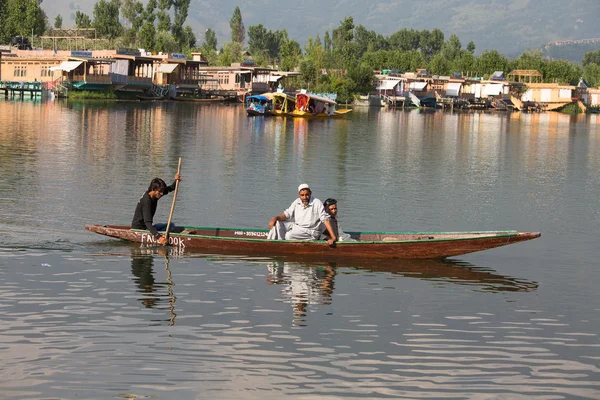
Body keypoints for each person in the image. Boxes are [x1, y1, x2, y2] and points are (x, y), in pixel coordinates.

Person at [268, 183, 337, 245]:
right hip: (297, 228)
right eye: (302, 195)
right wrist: (275, 218)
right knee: (277, 223)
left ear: (310, 193)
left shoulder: (317, 203)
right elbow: (287, 214)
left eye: (307, 195)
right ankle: (273, 243)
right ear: (299, 195)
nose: (304, 197)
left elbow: (325, 220)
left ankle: (281, 244)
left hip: (310, 232)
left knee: (289, 235)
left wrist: (333, 237)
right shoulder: (297, 202)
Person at [131, 173, 181, 246]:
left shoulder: (154, 195)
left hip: (147, 227)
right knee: (168, 229)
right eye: (159, 192)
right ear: (154, 189)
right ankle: (161, 237)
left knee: (171, 225)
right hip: (141, 229)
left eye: (162, 192)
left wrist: (176, 181)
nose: (161, 194)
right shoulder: (147, 201)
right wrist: (159, 237)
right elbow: (148, 223)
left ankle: (160, 235)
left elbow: (170, 188)